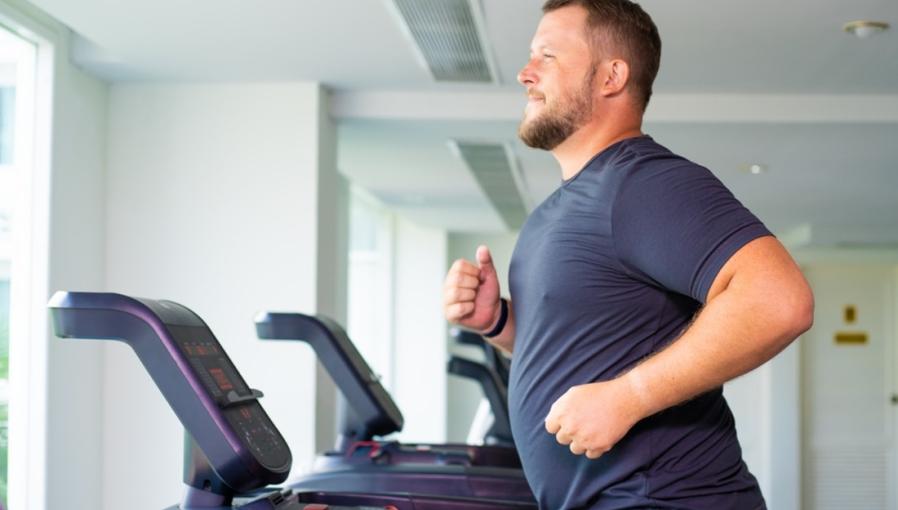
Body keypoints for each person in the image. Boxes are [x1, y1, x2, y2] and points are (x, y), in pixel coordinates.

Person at [442, 1, 814, 508]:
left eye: (547, 56)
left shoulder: (642, 182)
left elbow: (779, 300)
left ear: (611, 76)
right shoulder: (561, 209)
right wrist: (499, 322)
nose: (525, 74)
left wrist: (629, 397)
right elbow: (580, 348)